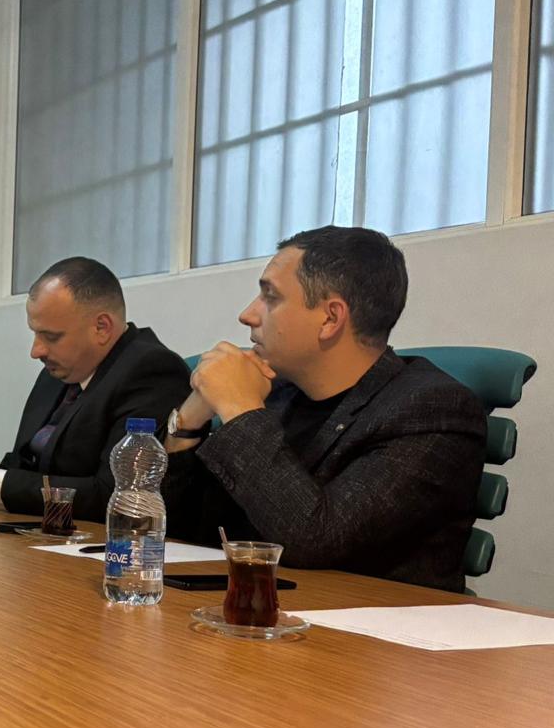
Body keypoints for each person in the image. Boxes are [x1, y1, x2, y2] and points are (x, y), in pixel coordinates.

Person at [164, 226, 486, 592]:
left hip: (368, 620)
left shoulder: (433, 411)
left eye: (270, 297)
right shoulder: (278, 395)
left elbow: (315, 538)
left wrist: (240, 407)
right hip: (262, 610)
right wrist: (189, 420)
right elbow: (171, 526)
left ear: (331, 319)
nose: (247, 315)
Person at [0, 258, 190, 520]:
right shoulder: (58, 373)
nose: (36, 351)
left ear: (101, 327)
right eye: (35, 334)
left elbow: (117, 494)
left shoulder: (152, 370)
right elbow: (25, 466)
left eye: (51, 337)